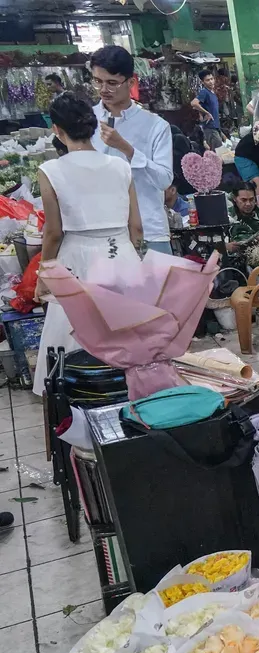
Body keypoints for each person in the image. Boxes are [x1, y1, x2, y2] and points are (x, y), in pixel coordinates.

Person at [34, 93, 143, 396]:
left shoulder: (51, 171)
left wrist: (44, 276)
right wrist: (132, 257)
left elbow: (53, 232)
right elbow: (136, 227)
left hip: (77, 258)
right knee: (127, 336)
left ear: (57, 130)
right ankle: (130, 394)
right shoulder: (120, 166)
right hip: (121, 252)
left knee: (74, 337)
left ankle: (79, 400)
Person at [89, 45, 174, 255]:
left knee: (157, 288)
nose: (103, 89)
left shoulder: (155, 125)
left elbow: (164, 180)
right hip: (100, 230)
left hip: (149, 229)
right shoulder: (86, 120)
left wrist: (128, 149)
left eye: (112, 83)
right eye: (97, 81)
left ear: (131, 82)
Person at [191, 69, 224, 150]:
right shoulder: (204, 92)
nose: (211, 82)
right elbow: (194, 103)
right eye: (207, 80)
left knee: (220, 152)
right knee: (218, 153)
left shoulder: (212, 93)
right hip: (210, 128)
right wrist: (207, 113)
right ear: (203, 82)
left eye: (212, 79)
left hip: (215, 127)